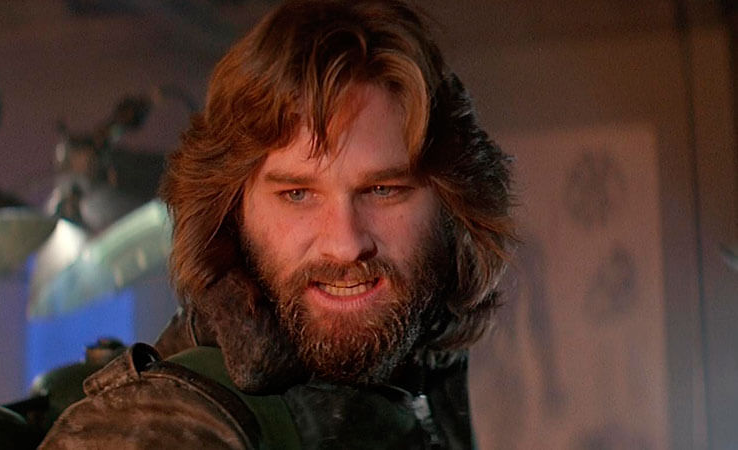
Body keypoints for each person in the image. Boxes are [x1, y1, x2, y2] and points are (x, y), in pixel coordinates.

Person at [39, 0, 513, 448]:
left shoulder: (423, 371)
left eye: (383, 189)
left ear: (454, 204)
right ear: (229, 212)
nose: (345, 244)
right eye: (297, 194)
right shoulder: (161, 430)